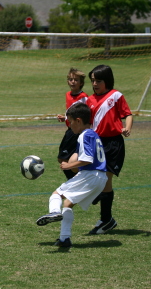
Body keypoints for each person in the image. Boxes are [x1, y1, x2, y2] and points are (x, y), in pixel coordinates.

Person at [36, 103, 108, 247]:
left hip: (91, 175)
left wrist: (68, 165)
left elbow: (87, 159)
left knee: (56, 194)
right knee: (68, 203)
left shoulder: (84, 135)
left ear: (78, 121)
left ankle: (54, 212)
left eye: (70, 121)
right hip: (101, 177)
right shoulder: (93, 134)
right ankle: (65, 238)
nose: (69, 125)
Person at [86, 64, 133, 235]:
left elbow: (127, 114)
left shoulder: (116, 96)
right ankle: (105, 216)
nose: (95, 84)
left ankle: (106, 220)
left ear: (107, 81)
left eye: (98, 80)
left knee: (106, 181)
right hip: (96, 144)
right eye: (92, 81)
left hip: (113, 144)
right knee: (92, 177)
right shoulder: (90, 100)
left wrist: (127, 127)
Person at [57, 68, 88, 180]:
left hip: (76, 132)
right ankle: (75, 180)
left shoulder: (83, 97)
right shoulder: (68, 95)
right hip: (70, 130)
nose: (73, 81)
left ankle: (75, 181)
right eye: (70, 79)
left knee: (66, 159)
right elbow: (72, 112)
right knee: (62, 159)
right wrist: (64, 117)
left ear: (81, 83)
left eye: (76, 79)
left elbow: (84, 114)